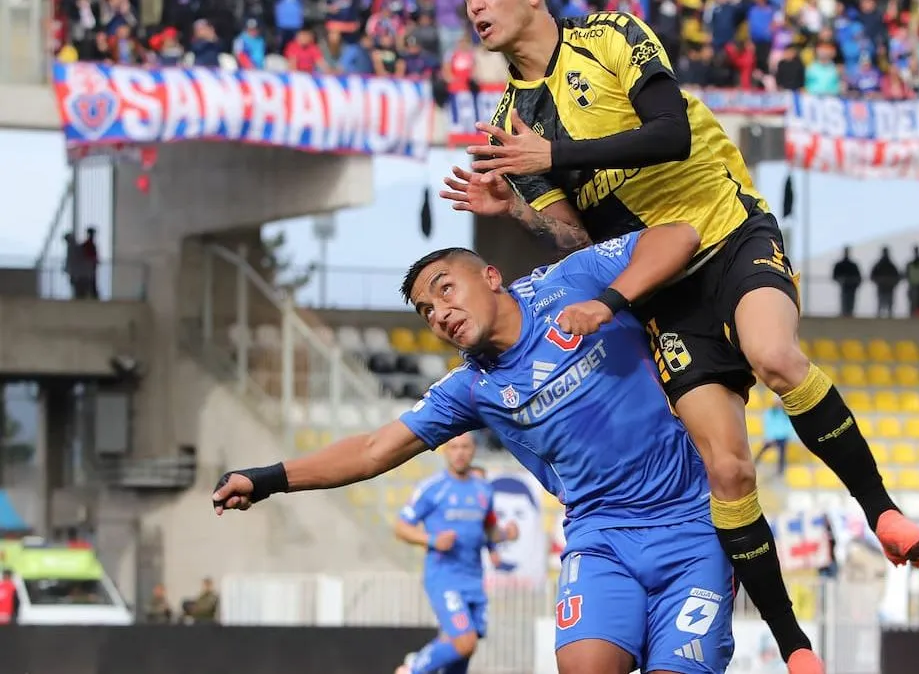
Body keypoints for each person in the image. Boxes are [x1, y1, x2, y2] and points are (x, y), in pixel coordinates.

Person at [441, 3, 919, 669]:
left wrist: (558, 153)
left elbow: (671, 133)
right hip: (661, 287)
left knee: (773, 354)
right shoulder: (511, 124)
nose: (474, 7)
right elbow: (581, 238)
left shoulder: (612, 34)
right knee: (727, 468)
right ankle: (796, 647)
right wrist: (521, 210)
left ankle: (882, 513)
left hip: (726, 231)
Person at [212, 227, 738, 674]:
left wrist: (609, 301)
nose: (439, 313)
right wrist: (266, 479)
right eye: (426, 311)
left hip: (694, 526)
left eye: (446, 290)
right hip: (602, 541)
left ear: (490, 277)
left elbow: (680, 237)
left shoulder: (570, 282)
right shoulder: (470, 387)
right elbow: (374, 449)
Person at [392, 432, 519, 674]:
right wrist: (431, 540)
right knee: (464, 641)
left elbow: (489, 529)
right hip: (444, 576)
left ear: (473, 450)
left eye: (465, 447)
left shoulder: (484, 490)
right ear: (445, 451)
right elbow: (401, 527)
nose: (459, 452)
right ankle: (412, 668)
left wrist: (505, 535)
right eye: (454, 447)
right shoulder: (432, 488)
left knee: (464, 649)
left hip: (473, 578)